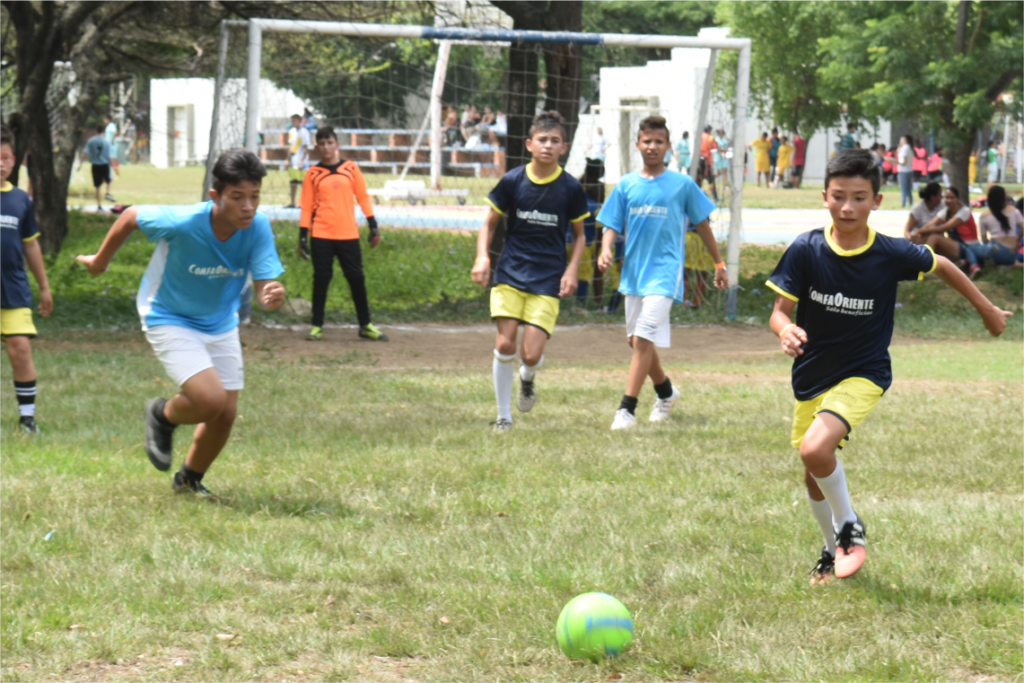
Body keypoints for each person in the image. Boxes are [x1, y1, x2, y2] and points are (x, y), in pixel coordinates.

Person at [766, 148, 1009, 584]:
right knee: (812, 472)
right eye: (839, 196)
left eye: (859, 197)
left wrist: (987, 309)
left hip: (864, 371)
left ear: (876, 201)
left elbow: (944, 264)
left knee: (815, 451)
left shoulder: (890, 253)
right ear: (824, 197)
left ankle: (849, 526)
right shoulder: (806, 249)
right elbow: (779, 311)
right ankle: (831, 548)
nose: (847, 207)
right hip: (812, 375)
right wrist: (784, 329)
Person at [76, 150, 287, 496]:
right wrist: (100, 262)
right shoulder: (183, 221)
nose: (248, 206)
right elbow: (130, 216)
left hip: (219, 321)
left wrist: (270, 295)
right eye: (238, 197)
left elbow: (266, 285)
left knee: (225, 414)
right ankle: (162, 415)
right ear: (216, 197)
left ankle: (189, 480)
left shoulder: (258, 226)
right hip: (167, 315)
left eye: (255, 196)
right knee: (209, 399)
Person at [596, 115, 727, 431]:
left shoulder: (682, 184)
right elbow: (611, 223)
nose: (652, 147)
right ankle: (666, 392)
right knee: (635, 342)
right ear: (638, 144)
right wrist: (605, 248)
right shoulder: (627, 184)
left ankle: (626, 409)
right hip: (634, 275)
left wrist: (719, 264)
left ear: (668, 147)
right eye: (647, 141)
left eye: (658, 142)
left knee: (642, 338)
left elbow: (703, 224)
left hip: (665, 274)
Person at [470, 111, 590, 433]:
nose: (547, 146)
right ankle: (503, 417)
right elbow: (488, 225)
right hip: (510, 272)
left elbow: (580, 235)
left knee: (530, 354)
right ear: (529, 144)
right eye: (542, 140)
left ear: (563, 147)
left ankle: (528, 376)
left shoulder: (570, 188)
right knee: (506, 345)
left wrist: (572, 270)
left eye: (554, 141)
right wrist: (483, 257)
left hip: (548, 278)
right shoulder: (512, 181)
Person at [299, 126, 388, 343]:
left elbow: (363, 197)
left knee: (356, 279)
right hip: (321, 234)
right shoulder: (313, 174)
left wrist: (372, 225)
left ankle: (365, 325)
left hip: (348, 234)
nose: (326, 147)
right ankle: (317, 325)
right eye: (321, 143)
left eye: (330, 142)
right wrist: (302, 236)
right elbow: (306, 206)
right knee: (321, 279)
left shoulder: (350, 168)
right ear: (317, 147)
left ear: (337, 145)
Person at [0, 126, 51, 434]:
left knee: (20, 347)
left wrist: (44, 286)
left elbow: (30, 244)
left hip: (13, 287)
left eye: (5, 157)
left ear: (13, 160)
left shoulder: (21, 200)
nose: (0, 163)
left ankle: (27, 418)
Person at [914, 187, 981, 277]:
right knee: (926, 235)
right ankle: (914, 264)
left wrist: (920, 231)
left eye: (952, 198)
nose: (948, 200)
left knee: (934, 237)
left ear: (958, 199)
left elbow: (945, 228)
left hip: (967, 248)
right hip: (956, 246)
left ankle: (925, 267)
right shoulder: (946, 211)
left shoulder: (964, 211)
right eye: (946, 197)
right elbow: (929, 225)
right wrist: (919, 234)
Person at [973, 185, 1023, 266]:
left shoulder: (985, 216)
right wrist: (1017, 240)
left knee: (970, 249)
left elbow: (984, 239)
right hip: (1012, 255)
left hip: (995, 252)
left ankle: (974, 267)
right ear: (1004, 198)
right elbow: (1023, 228)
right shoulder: (1014, 210)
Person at [285, 114, 313, 209]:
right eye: (291, 121)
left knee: (303, 183)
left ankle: (303, 202)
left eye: (294, 121)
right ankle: (292, 202)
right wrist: (287, 159)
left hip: (302, 162)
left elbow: (306, 147)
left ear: (299, 121)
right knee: (293, 182)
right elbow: (290, 147)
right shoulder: (291, 132)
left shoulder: (304, 132)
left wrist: (302, 161)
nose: (292, 123)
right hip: (293, 161)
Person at [84, 124, 114, 211]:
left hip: (95, 165)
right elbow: (110, 156)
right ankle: (108, 193)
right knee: (108, 180)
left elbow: (85, 153)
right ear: (104, 132)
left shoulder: (91, 141)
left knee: (97, 186)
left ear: (97, 131)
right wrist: (114, 166)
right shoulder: (107, 142)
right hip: (104, 164)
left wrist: (81, 163)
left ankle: (99, 205)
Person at [699, 125, 719, 201]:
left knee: (698, 180)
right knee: (711, 180)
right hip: (706, 162)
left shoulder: (701, 136)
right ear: (710, 130)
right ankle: (715, 197)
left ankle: (696, 196)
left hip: (699, 161)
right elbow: (715, 147)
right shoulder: (710, 137)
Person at [896, 134, 914, 208]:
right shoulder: (909, 148)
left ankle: (903, 205)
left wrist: (896, 162)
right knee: (909, 190)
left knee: (903, 190)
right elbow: (897, 152)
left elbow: (904, 162)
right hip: (910, 170)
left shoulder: (905, 148)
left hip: (903, 171)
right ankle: (910, 203)